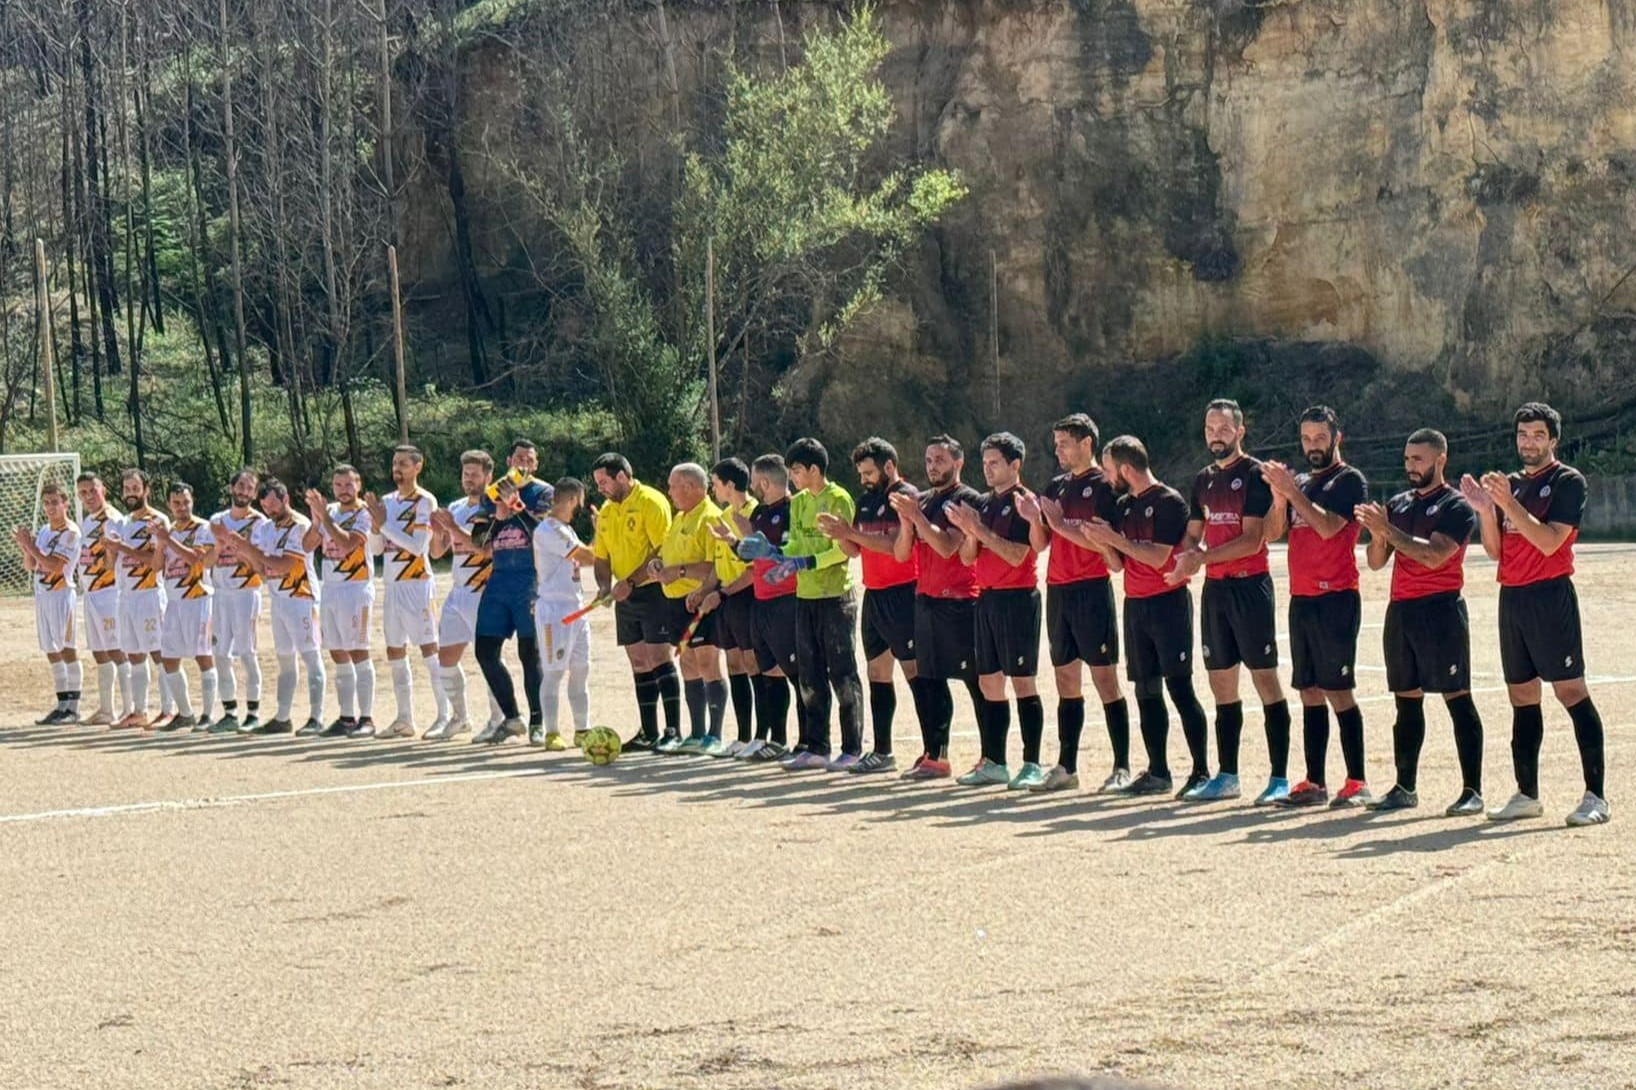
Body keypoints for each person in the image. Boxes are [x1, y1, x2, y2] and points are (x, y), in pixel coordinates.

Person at [1461, 402, 1609, 826]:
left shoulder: (1567, 482)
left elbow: (1548, 542)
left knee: (1570, 691)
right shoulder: (1509, 485)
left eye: (1538, 436)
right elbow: (1494, 551)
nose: (1529, 443)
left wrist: (1507, 505)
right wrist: (1487, 512)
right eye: (1523, 436)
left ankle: (1595, 796)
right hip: (1514, 597)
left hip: (1550, 596)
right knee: (1522, 695)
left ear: (1553, 440)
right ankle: (1527, 794)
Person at [1166, 399, 1292, 804]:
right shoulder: (1203, 479)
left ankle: (1278, 778)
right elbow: (1193, 532)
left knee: (1265, 680)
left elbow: (1253, 538)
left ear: (1240, 431)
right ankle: (1228, 775)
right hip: (1215, 591)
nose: (1215, 434)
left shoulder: (1254, 475)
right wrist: (1186, 556)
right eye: (1209, 428)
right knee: (1222, 684)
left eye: (1223, 427)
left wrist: (1201, 557)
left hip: (1249, 587)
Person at [1358, 428, 1486, 816]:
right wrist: (1378, 536)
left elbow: (1434, 556)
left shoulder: (1456, 506)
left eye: (1419, 459)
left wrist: (1388, 531)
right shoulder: (1398, 503)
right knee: (1406, 703)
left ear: (1440, 460)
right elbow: (1377, 561)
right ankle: (1404, 786)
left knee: (1457, 699)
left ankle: (1472, 790)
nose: (1411, 466)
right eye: (1408, 459)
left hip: (1441, 611)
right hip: (1401, 611)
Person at [1079, 436, 1210, 797]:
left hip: (1168, 604)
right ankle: (1158, 771)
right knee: (1145, 690)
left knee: (1180, 688)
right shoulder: (1123, 506)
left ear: (1125, 468)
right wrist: (1102, 542)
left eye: (1108, 469)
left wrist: (1114, 540)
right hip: (1135, 605)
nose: (1106, 478)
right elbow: (1117, 565)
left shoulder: (1168, 501)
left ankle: (1200, 770)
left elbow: (1158, 557)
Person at [1262, 406, 1374, 808]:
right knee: (1308, 690)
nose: (1312, 446)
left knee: (1338, 690)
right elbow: (1273, 534)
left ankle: (1357, 781)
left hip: (1336, 597)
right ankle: (1314, 781)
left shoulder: (1350, 481)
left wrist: (1293, 493)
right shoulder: (1301, 481)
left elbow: (1329, 528)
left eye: (1320, 438)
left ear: (1336, 438)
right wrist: (1279, 500)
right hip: (1302, 598)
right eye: (1306, 438)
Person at [1025, 413, 1130, 793]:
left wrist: (1059, 524)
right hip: (1059, 590)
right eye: (1056, 444)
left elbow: (1103, 543)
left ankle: (1121, 766)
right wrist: (1036, 522)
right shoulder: (1054, 486)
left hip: (1091, 589)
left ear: (1087, 443)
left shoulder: (1104, 485)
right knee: (1065, 678)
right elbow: (1040, 545)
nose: (1058, 451)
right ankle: (1067, 766)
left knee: (1105, 678)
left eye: (1064, 443)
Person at [946, 433, 1045, 789]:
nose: (987, 470)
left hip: (1017, 599)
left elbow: (1019, 554)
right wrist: (970, 532)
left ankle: (1032, 762)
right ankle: (995, 761)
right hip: (986, 598)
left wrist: (979, 530)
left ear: (1015, 465)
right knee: (989, 681)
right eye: (984, 463)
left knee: (1022, 682)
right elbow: (968, 557)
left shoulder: (1024, 503)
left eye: (994, 463)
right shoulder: (984, 504)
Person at [817, 438, 920, 775]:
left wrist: (851, 533)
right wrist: (839, 534)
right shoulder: (865, 501)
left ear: (889, 466)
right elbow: (854, 551)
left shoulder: (906, 497)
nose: (864, 479)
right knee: (877, 673)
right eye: (860, 473)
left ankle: (934, 749)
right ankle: (883, 750)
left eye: (869, 472)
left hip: (904, 593)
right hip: (874, 594)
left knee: (915, 672)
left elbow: (893, 545)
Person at [890, 435, 985, 780]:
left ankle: (990, 756)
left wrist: (916, 516)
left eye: (941, 460)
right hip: (926, 600)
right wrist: (906, 523)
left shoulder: (968, 499)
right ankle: (935, 755)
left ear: (958, 463)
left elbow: (947, 547)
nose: (933, 467)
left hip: (960, 602)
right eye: (929, 460)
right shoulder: (924, 501)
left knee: (976, 681)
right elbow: (902, 554)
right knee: (928, 680)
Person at [771, 438, 863, 770]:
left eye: (796, 471)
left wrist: (807, 562)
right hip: (805, 597)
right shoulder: (796, 503)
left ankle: (852, 747)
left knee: (842, 673)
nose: (792, 478)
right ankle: (817, 746)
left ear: (814, 469)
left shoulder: (838, 499)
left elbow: (844, 548)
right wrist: (778, 558)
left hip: (835, 597)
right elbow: (795, 542)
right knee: (809, 676)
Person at [215, 479, 325, 735]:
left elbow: (286, 564)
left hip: (301, 597)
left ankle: (316, 717)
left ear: (285, 500)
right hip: (278, 599)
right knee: (285, 660)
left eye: (274, 507)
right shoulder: (266, 529)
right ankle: (283, 716)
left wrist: (248, 550)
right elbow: (260, 568)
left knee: (311, 656)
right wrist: (240, 550)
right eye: (265, 508)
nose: (270, 512)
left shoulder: (300, 525)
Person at [469, 439, 555, 744]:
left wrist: (516, 508)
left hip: (530, 577)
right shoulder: (491, 495)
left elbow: (544, 534)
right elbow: (479, 542)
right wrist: (498, 516)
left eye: (529, 460)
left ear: (536, 464)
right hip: (500, 577)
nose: (523, 463)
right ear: (508, 459)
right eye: (518, 457)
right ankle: (512, 717)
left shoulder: (544, 492)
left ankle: (538, 720)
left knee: (529, 652)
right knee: (484, 650)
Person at [591, 452, 678, 752]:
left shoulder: (651, 502)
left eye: (604, 482)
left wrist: (630, 582)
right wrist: (604, 586)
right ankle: (648, 731)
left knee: (659, 658)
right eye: (597, 483)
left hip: (653, 591)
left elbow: (663, 551)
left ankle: (673, 730)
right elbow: (601, 557)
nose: (600, 488)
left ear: (622, 477)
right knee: (638, 661)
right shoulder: (605, 511)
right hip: (624, 596)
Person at [721, 453, 802, 762]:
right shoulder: (759, 515)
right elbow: (752, 556)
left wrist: (745, 535)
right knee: (769, 670)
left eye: (754, 479)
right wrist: (733, 541)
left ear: (764, 481)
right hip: (761, 600)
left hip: (787, 598)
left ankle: (808, 740)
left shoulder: (793, 509)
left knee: (795, 672)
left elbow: (783, 553)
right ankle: (776, 739)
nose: (751, 484)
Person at [364, 445, 446, 739]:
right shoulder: (385, 502)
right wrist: (375, 528)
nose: (397, 468)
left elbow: (418, 547)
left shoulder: (425, 501)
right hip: (393, 587)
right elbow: (375, 550)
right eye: (395, 463)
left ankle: (444, 714)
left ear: (418, 467)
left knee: (429, 649)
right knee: (395, 651)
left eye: (403, 464)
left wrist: (382, 524)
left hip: (417, 585)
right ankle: (404, 718)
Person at [427, 450, 502, 740]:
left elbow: (484, 548)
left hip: (483, 592)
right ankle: (460, 717)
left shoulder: (494, 508)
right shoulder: (456, 506)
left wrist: (454, 529)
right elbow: (436, 553)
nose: (468, 479)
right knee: (445, 657)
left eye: (474, 474)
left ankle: (499, 718)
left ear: (488, 476)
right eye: (465, 474)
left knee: (488, 656)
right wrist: (438, 532)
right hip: (457, 592)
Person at [652, 463, 726, 754]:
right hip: (675, 603)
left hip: (699, 601)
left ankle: (715, 734)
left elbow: (714, 565)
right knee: (688, 664)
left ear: (691, 487)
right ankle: (695, 733)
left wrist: (681, 573)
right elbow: (669, 554)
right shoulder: (680, 517)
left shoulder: (710, 517)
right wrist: (657, 565)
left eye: (673, 486)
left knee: (708, 661)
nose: (669, 492)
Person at [305, 465, 376, 738]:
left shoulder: (364, 513)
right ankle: (347, 717)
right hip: (331, 590)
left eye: (349, 485)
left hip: (356, 588)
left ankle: (367, 718)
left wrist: (326, 520)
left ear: (358, 484)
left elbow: (348, 544)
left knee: (358, 650)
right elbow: (309, 545)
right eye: (338, 485)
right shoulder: (330, 511)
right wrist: (316, 522)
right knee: (337, 652)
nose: (343, 490)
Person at [100, 469, 171, 730]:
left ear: (146, 490)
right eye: (127, 488)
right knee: (134, 654)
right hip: (126, 596)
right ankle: (139, 711)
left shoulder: (158, 520)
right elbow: (109, 566)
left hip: (150, 594)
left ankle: (168, 710)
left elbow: (156, 563)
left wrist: (123, 548)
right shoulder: (121, 523)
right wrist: (109, 549)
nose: (130, 493)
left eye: (135, 488)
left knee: (159, 653)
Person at [699, 458, 760, 756]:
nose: (713, 487)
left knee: (753, 663)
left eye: (716, 482)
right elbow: (716, 564)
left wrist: (720, 594)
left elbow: (753, 570)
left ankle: (764, 736)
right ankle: (743, 736)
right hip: (725, 597)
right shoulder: (723, 515)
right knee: (735, 663)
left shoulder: (754, 513)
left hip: (746, 597)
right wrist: (704, 591)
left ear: (731, 485)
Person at [533, 478, 597, 749]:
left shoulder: (565, 529)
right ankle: (552, 731)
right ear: (572, 499)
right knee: (554, 671)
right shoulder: (547, 530)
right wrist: (603, 531)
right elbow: (586, 557)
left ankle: (582, 729)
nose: (579, 508)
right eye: (579, 502)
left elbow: (589, 554)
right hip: (555, 611)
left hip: (576, 608)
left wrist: (598, 534)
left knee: (581, 669)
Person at [150, 483, 217, 731]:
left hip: (198, 598)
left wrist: (167, 539)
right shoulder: (168, 530)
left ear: (193, 501)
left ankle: (208, 715)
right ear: (169, 505)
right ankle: (185, 713)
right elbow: (157, 567)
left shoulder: (203, 527)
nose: (181, 507)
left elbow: (196, 559)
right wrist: (160, 544)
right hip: (174, 600)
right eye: (176, 503)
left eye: (185, 502)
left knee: (203, 656)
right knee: (169, 657)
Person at [16, 482, 82, 724]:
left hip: (61, 594)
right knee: (51, 650)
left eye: (55, 502)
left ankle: (73, 707)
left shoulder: (71, 532)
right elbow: (31, 565)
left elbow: (55, 565)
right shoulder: (45, 530)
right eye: (47, 503)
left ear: (65, 504)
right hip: (42, 594)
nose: (51, 507)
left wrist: (31, 547)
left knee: (67, 648)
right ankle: (61, 702)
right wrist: (26, 547)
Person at [207, 470, 267, 734]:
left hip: (246, 594)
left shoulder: (260, 523)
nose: (244, 491)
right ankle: (229, 711)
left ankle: (253, 712)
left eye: (249, 488)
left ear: (254, 494)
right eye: (240, 485)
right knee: (220, 653)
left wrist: (236, 543)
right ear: (232, 488)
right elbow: (207, 562)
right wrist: (220, 544)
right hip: (220, 594)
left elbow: (259, 563)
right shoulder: (216, 520)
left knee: (247, 652)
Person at [74, 472, 129, 725]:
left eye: (92, 491)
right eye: (83, 492)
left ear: (103, 490)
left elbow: (113, 562)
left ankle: (129, 708)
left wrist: (108, 551)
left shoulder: (114, 519)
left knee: (117, 649)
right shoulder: (87, 521)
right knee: (99, 651)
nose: (88, 497)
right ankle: (106, 709)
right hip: (91, 593)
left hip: (109, 593)